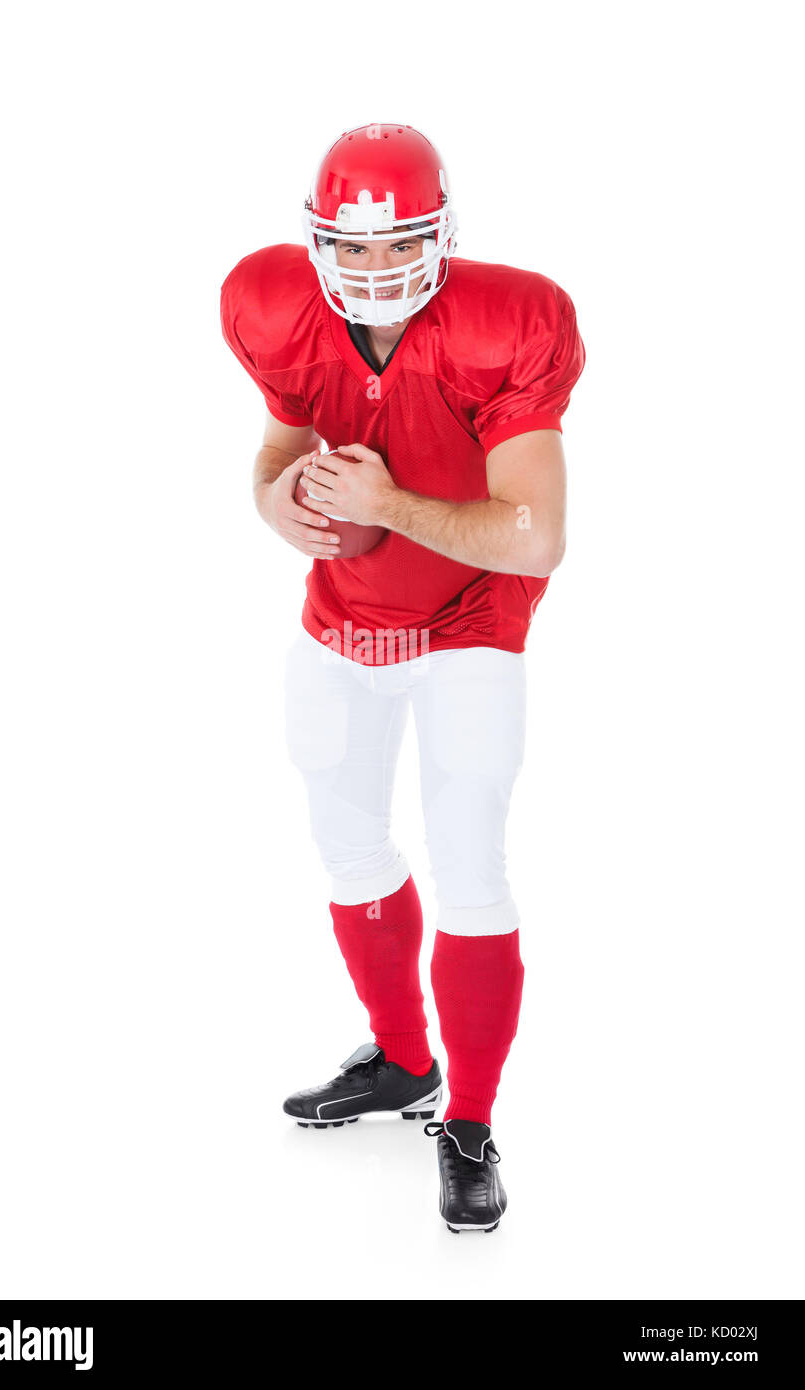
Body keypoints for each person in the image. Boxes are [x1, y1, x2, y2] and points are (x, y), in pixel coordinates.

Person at [220, 123, 585, 1233]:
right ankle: (400, 1059)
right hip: (344, 621)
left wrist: (387, 508)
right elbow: (277, 452)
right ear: (317, 239)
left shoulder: (506, 321)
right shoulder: (276, 307)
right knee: (346, 844)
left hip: (469, 621)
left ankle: (467, 1120)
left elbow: (533, 536)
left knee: (468, 855)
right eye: (355, 249)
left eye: (399, 246)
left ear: (442, 231)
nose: (376, 270)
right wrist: (281, 508)